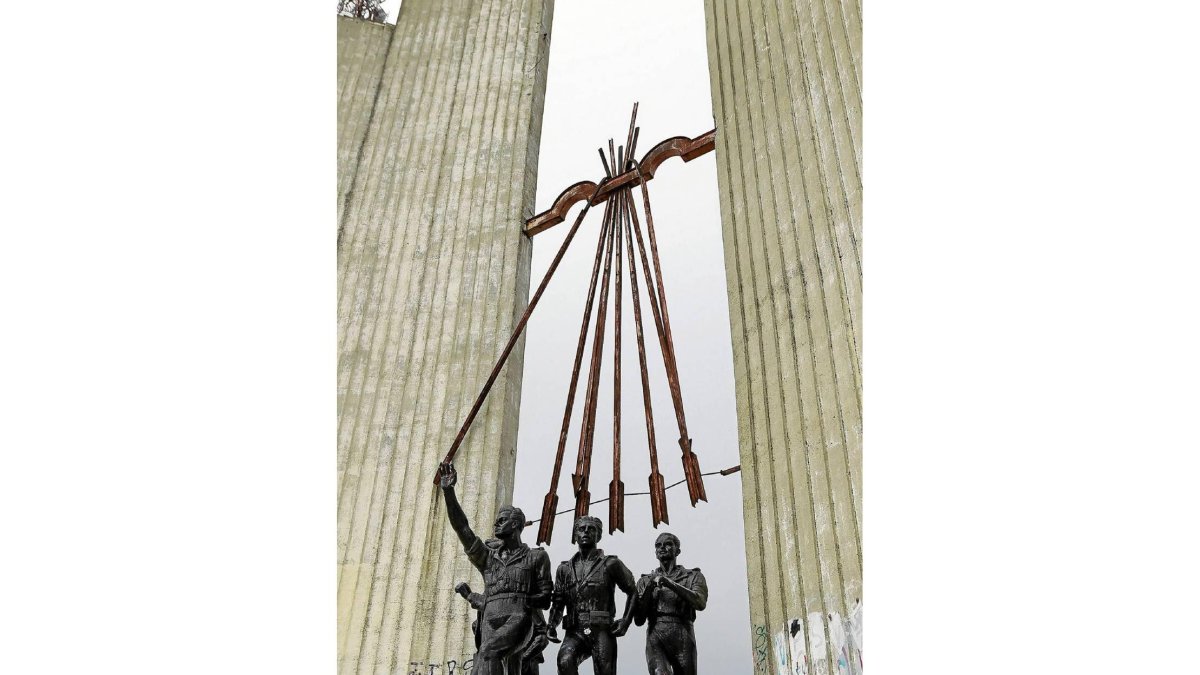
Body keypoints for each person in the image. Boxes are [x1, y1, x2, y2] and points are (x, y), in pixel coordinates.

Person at [439, 463, 552, 675]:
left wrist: (524, 601)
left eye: (502, 521)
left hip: (518, 616)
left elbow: (546, 597)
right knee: (485, 667)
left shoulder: (536, 556)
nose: (496, 524)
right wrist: (448, 491)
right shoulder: (488, 559)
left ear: (515, 524)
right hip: (490, 618)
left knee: (489, 652)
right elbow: (462, 528)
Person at [546, 516, 636, 675]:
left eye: (591, 529)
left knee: (604, 670)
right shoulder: (564, 569)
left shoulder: (611, 564)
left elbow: (633, 591)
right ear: (575, 535)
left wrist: (626, 621)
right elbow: (558, 602)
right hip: (574, 630)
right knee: (565, 661)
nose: (586, 532)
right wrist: (552, 625)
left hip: (601, 629)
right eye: (582, 529)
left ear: (598, 536)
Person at [633, 532, 708, 675]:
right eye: (658, 545)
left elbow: (700, 602)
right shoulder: (644, 581)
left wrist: (669, 583)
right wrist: (649, 587)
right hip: (656, 633)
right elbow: (639, 619)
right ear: (655, 552)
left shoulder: (693, 576)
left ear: (677, 550)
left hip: (683, 633)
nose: (662, 547)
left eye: (667, 544)